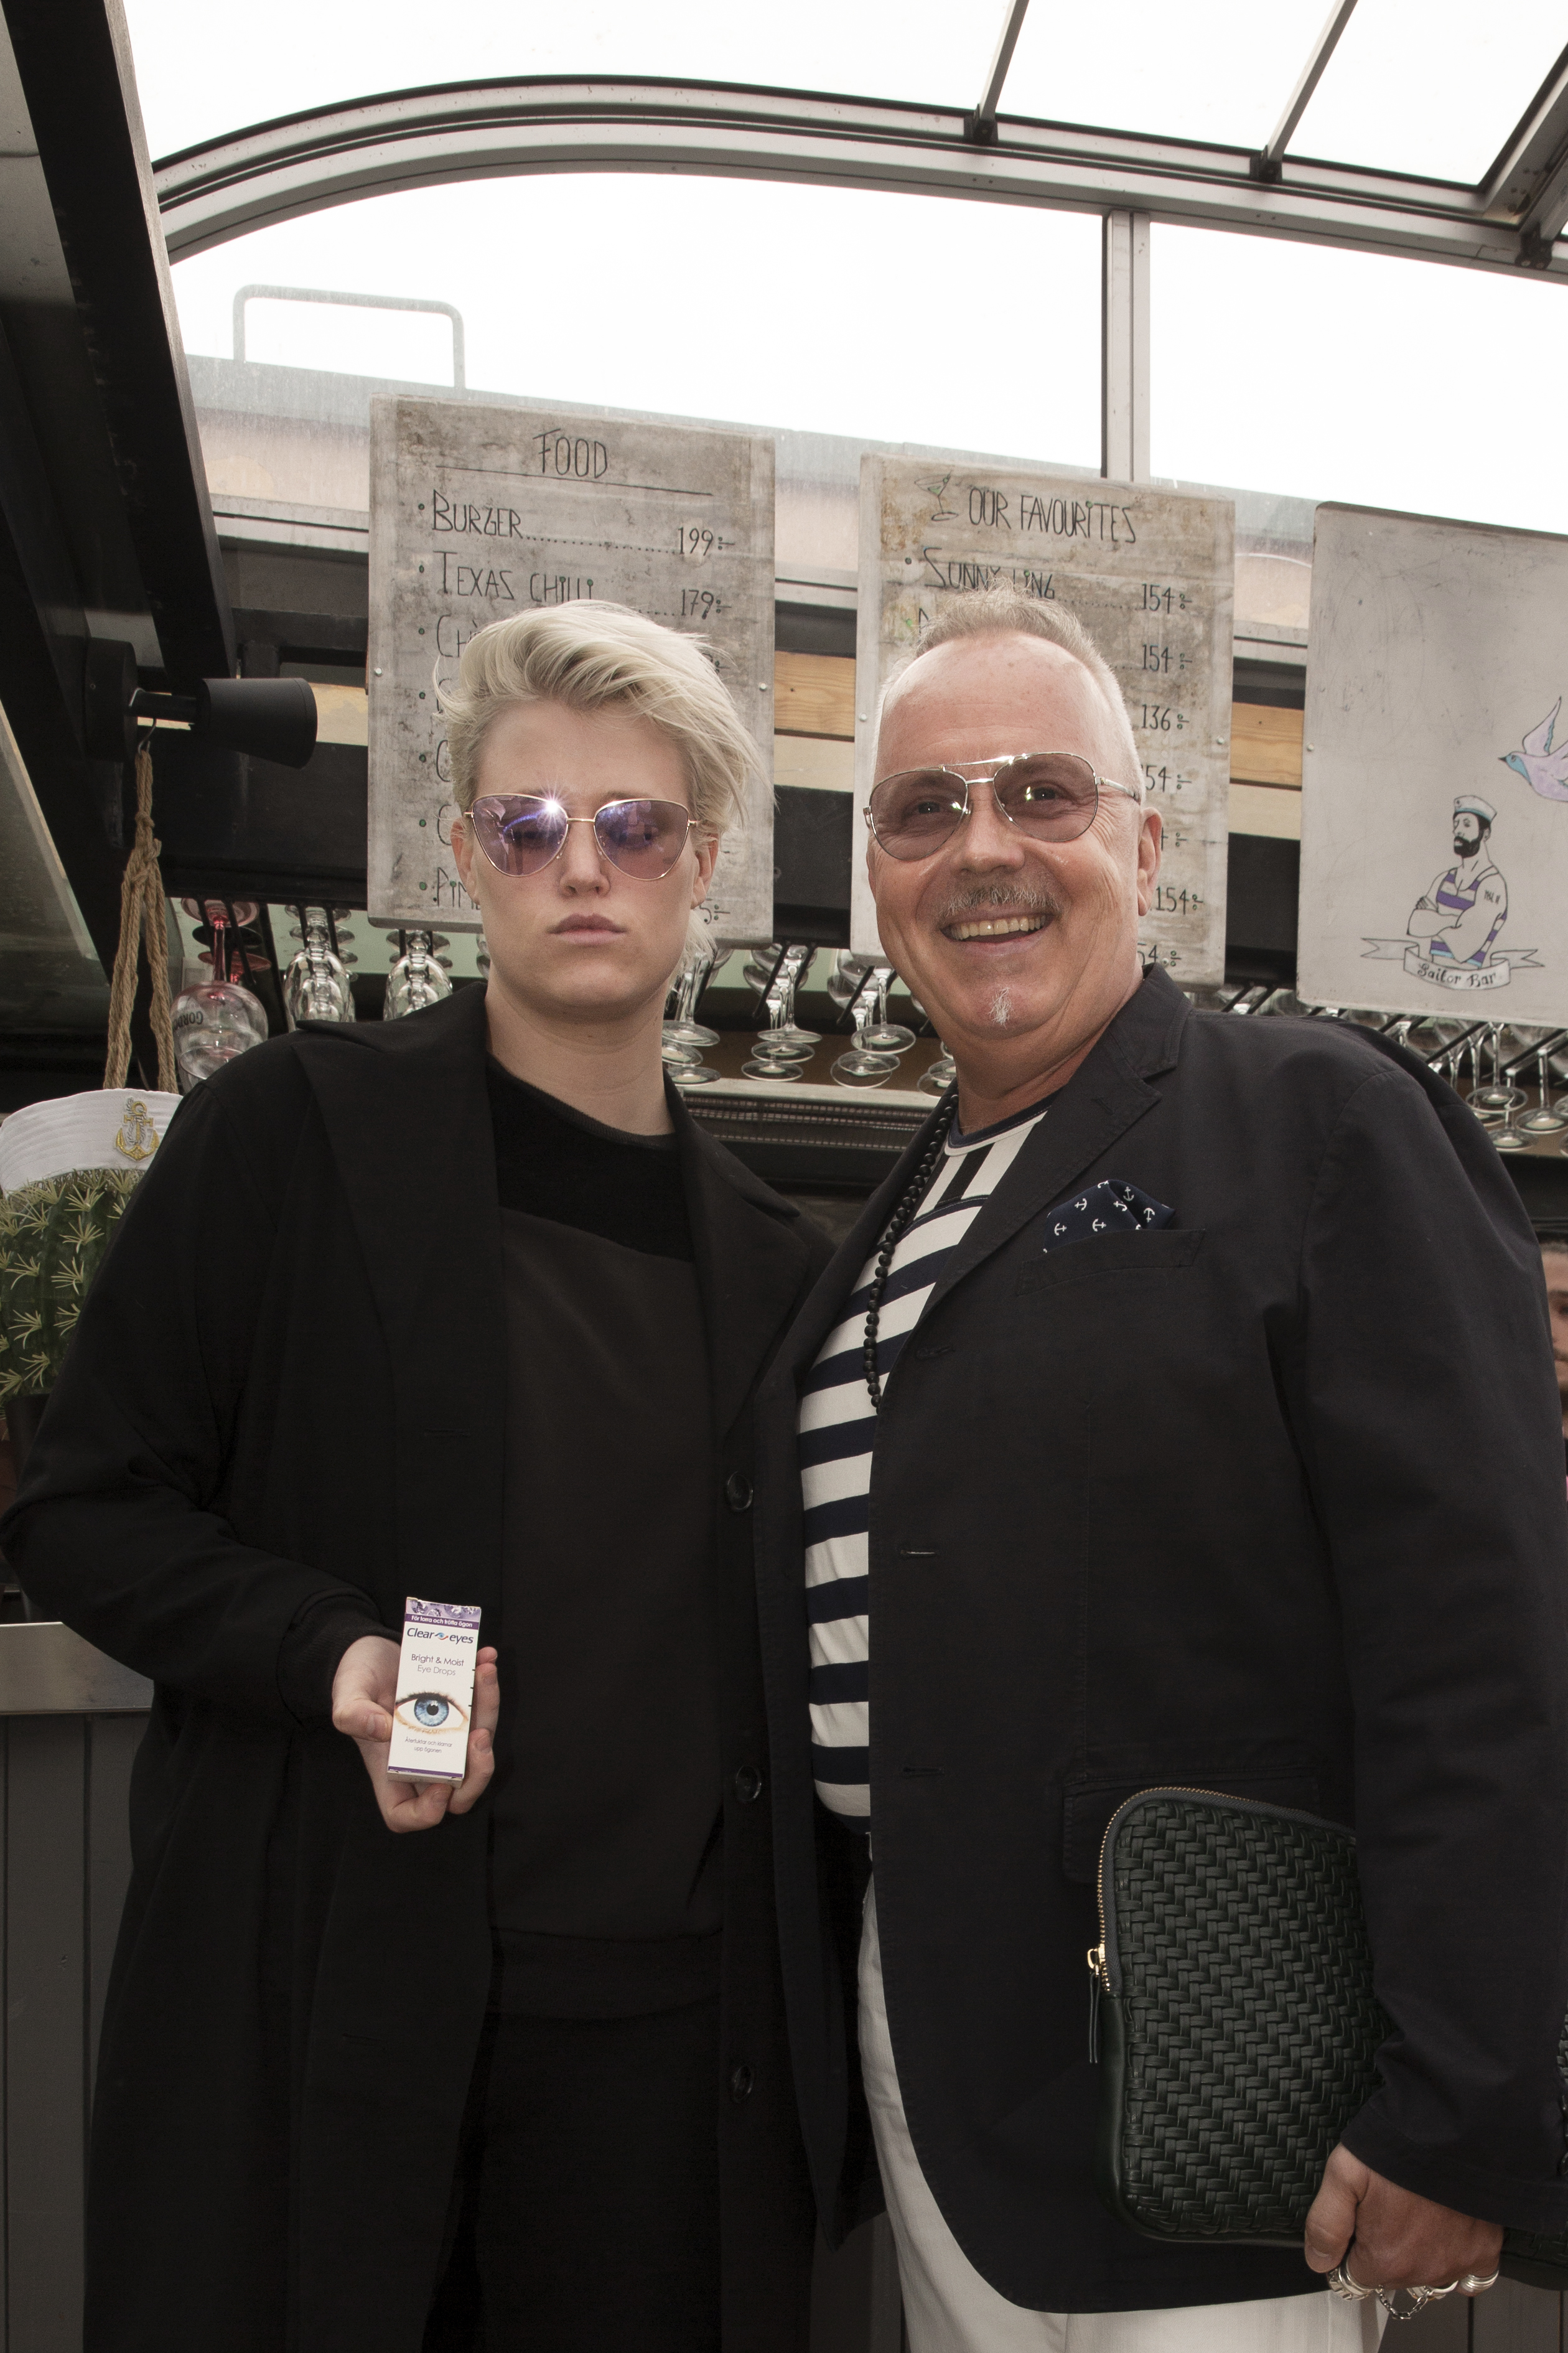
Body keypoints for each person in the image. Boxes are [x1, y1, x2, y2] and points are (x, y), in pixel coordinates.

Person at [1, 602, 832, 2353]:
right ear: (463, 861)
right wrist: (329, 1649)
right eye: (529, 826)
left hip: (664, 2067)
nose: (580, 866)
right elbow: (83, 1506)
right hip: (335, 2000)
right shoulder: (294, 1135)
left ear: (705, 863)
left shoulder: (777, 1264)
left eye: (634, 826)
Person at [751, 591, 1568, 2350]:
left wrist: (1463, 2093)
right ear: (874, 873)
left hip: (1232, 2050)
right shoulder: (889, 1225)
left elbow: (1482, 1639)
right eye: (925, 807)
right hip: (937, 2037)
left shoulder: (1319, 1120)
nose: (984, 847)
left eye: (1042, 793)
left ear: (1144, 841)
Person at [1407, 795, 1508, 966]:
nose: (1457, 831)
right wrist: (1455, 921)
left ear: (1485, 834)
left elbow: (1464, 949)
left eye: (1466, 825)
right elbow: (1415, 925)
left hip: (1472, 979)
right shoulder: (1444, 878)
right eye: (1456, 824)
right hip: (1432, 975)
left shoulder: (1492, 884)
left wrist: (1433, 918)